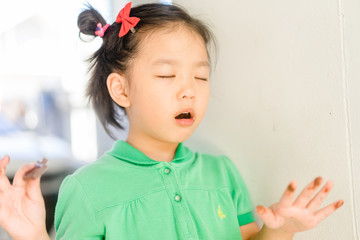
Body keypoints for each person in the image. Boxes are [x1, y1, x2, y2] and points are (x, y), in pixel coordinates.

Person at [0, 2, 343, 240]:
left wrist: (282, 229)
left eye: (200, 77)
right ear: (121, 90)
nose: (189, 91)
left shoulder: (222, 172)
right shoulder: (85, 189)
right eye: (166, 75)